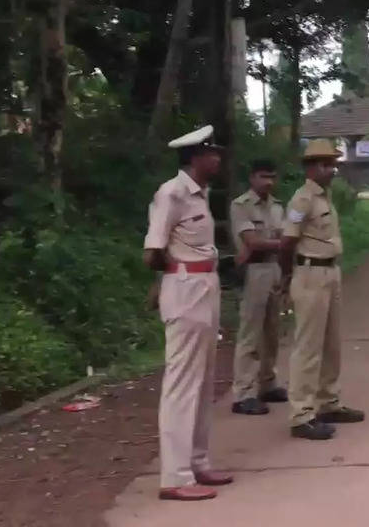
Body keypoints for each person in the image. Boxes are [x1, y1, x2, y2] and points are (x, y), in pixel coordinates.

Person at [143, 125, 234, 501]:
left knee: (203, 379)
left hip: (205, 286)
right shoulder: (172, 193)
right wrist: (170, 275)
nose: (217, 158)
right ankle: (175, 476)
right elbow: (153, 250)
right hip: (185, 289)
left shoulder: (201, 194)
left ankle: (197, 462)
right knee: (182, 384)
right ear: (195, 158)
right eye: (211, 153)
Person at [279, 139, 366, 440]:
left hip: (330, 271)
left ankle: (329, 402)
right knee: (308, 347)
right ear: (310, 168)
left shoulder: (324, 198)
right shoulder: (301, 200)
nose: (331, 169)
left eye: (332, 164)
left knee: (332, 343)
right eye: (325, 164)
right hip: (309, 274)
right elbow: (287, 241)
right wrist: (287, 274)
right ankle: (301, 414)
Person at [228, 159, 287, 417]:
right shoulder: (241, 205)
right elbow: (252, 242)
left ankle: (267, 382)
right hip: (254, 270)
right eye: (263, 176)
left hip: (274, 269)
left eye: (272, 177)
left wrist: (286, 268)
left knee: (273, 332)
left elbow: (281, 239)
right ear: (252, 178)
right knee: (250, 332)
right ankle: (244, 393)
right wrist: (285, 243)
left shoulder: (277, 206)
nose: (269, 182)